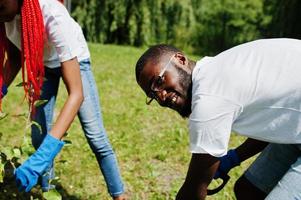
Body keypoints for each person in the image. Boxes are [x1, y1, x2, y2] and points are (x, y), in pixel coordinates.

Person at [135, 39, 301, 200]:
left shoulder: (209, 96)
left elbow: (194, 189)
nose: (161, 96)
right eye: (152, 95)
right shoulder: (214, 69)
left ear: (180, 59)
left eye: (159, 81)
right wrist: (233, 158)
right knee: (248, 190)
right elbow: (274, 124)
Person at [0, 0, 126, 199]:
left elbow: (76, 94)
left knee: (96, 136)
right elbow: (16, 57)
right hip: (43, 65)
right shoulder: (6, 15)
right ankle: (48, 191)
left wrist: (42, 156)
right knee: (38, 135)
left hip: (75, 61)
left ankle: (119, 196)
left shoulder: (52, 15)